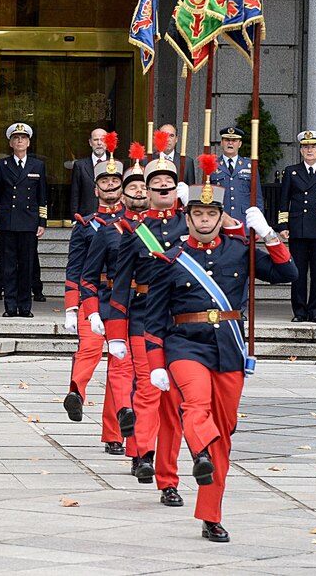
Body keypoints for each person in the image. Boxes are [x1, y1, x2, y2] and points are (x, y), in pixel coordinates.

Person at [144, 158, 296, 543]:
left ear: (220, 216)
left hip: (229, 347)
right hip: (185, 346)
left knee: (224, 433)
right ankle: (198, 453)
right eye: (198, 213)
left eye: (212, 213)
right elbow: (154, 317)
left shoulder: (238, 251)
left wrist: (269, 236)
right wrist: (155, 363)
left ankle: (211, 514)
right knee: (196, 406)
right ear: (188, 217)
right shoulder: (171, 259)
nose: (205, 219)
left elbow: (287, 275)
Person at [106, 135, 192, 504]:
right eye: (155, 187)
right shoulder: (134, 231)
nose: (161, 191)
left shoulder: (194, 226)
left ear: (176, 190)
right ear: (148, 191)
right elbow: (121, 283)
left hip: (183, 323)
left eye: (168, 186)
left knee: (173, 406)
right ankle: (142, 452)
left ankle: (168, 480)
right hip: (143, 317)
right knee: (147, 390)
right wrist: (115, 333)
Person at [62, 140, 128, 455]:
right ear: (97, 188)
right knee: (89, 348)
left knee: (119, 367)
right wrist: (71, 307)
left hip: (123, 300)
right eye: (105, 182)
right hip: (94, 298)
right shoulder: (86, 225)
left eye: (116, 182)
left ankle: (113, 434)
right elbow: (75, 268)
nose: (111, 186)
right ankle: (76, 393)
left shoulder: (134, 223)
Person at [77, 145, 138, 457]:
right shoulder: (107, 228)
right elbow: (85, 273)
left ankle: (140, 441)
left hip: (148, 307)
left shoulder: (165, 226)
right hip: (115, 303)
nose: (138, 194)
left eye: (144, 188)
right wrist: (84, 308)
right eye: (134, 188)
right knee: (120, 367)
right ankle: (115, 433)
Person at [277, 130, 316, 323]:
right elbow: (284, 200)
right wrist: (283, 225)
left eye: (313, 146)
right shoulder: (291, 171)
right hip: (298, 228)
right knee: (298, 272)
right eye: (306, 147)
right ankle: (300, 311)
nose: (309, 150)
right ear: (301, 150)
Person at [0, 122, 47, 317]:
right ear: (11, 143)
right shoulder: (2, 165)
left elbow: (42, 195)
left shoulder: (37, 165)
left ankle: (25, 307)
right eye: (16, 138)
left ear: (29, 143)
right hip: (8, 221)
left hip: (29, 222)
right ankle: (10, 307)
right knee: (8, 267)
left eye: (23, 138)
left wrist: (42, 222)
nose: (19, 140)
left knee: (27, 266)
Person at [211, 126, 263, 221]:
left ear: (240, 144)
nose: (230, 143)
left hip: (244, 221)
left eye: (234, 140)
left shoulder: (250, 165)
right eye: (227, 140)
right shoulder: (212, 164)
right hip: (220, 220)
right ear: (221, 143)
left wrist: (259, 222)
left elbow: (257, 197)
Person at [70, 128, 108, 217]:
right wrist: (75, 219)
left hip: (110, 216)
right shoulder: (80, 165)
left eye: (102, 139)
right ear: (90, 142)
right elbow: (75, 194)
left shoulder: (115, 164)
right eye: (96, 140)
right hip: (86, 217)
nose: (99, 143)